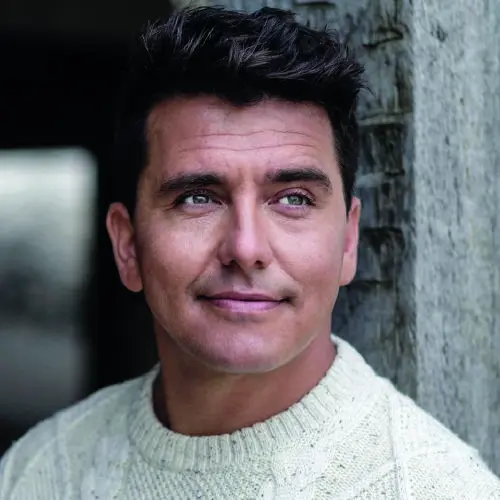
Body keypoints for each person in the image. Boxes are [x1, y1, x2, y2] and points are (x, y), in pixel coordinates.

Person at [1, 6, 499, 499]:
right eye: (198, 198)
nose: (245, 248)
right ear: (127, 245)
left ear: (348, 241)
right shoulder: (38, 473)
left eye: (293, 200)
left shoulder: (435, 489)